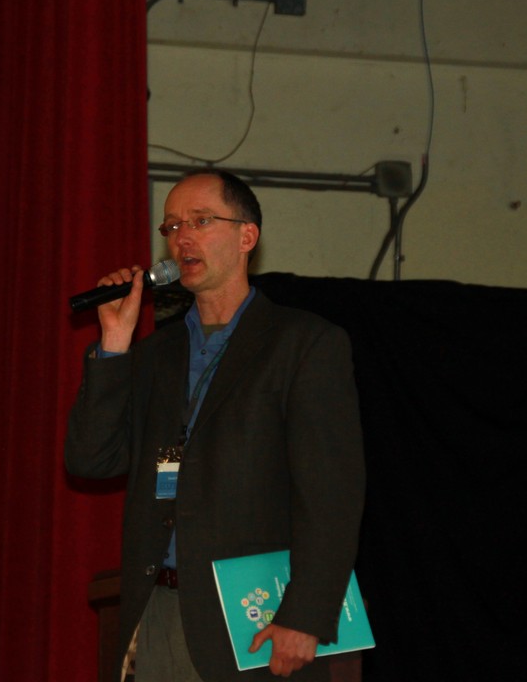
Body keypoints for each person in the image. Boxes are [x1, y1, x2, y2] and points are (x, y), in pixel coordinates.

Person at [65, 171, 365, 681]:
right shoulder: (155, 354)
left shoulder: (303, 343)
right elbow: (91, 460)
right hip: (157, 609)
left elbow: (331, 495)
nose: (182, 237)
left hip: (256, 618)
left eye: (200, 221)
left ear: (247, 236)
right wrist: (114, 343)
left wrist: (306, 615)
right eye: (172, 226)